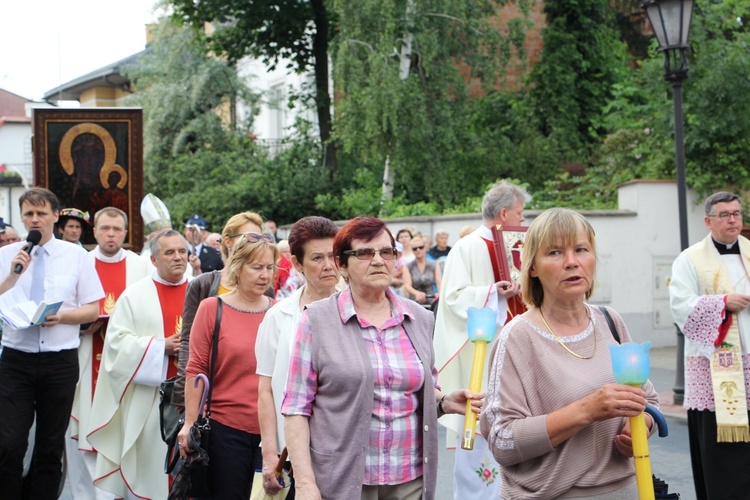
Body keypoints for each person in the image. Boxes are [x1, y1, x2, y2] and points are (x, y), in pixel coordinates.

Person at [282, 217, 483, 500]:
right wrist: (304, 484)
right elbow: (296, 409)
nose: (378, 261)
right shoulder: (316, 321)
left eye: (386, 252)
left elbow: (421, 387)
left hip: (409, 478)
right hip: (343, 478)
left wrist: (443, 401)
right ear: (342, 265)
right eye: (364, 253)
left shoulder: (420, 318)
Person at [480, 207, 660, 498]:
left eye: (581, 249)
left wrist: (639, 426)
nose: (572, 262)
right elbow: (502, 441)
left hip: (627, 489)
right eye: (554, 253)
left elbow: (648, 400)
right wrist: (587, 410)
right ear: (532, 268)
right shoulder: (517, 337)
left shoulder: (609, 320)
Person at [0, 188, 103, 498]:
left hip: (60, 361)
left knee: (49, 445)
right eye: (29, 214)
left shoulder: (76, 256)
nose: (35, 219)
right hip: (17, 359)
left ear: (55, 217)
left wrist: (64, 317)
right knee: (9, 444)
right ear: (21, 217)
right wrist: (12, 277)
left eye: (41, 213)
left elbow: (92, 309)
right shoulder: (7, 254)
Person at [433, 180, 530, 498]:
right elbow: (453, 298)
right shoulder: (468, 246)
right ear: (503, 213)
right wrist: (493, 293)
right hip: (484, 353)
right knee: (482, 424)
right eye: (520, 212)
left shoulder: (520, 242)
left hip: (520, 348)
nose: (523, 219)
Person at [87, 230, 189, 499]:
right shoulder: (134, 296)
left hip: (194, 398)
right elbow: (116, 346)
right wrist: (160, 346)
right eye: (169, 252)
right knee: (150, 472)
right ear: (154, 260)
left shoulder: (201, 292)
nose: (178, 257)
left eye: (182, 252)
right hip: (150, 398)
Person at [179, 233, 278, 498]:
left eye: (269, 267)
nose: (264, 275)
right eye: (257, 267)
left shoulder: (279, 312)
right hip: (225, 430)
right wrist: (189, 422)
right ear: (237, 267)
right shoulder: (212, 308)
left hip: (272, 431)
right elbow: (196, 368)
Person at [669, 191, 750, 500]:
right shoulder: (690, 259)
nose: (733, 219)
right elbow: (680, 306)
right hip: (716, 368)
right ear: (708, 221)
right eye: (725, 214)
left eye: (737, 213)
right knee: (722, 453)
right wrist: (722, 302)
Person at [67, 206, 151, 499]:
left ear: (126, 233)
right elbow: (65, 308)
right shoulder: (80, 263)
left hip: (126, 365)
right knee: (84, 439)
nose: (111, 234)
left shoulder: (141, 267)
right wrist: (80, 325)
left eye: (117, 229)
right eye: (105, 228)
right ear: (95, 231)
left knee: (124, 431)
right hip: (88, 353)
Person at [256, 216, 340, 497]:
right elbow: (266, 388)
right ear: (297, 263)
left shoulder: (363, 309)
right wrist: (270, 454)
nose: (328, 265)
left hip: (349, 445)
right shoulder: (278, 316)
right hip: (297, 450)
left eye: (333, 255)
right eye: (317, 258)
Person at [172, 211, 267, 411]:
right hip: (211, 390)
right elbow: (188, 342)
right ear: (228, 241)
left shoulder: (265, 287)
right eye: (248, 238)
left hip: (251, 398)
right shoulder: (203, 285)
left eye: (259, 238)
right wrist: (184, 398)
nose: (255, 244)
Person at [403, 235, 442, 305]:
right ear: (412, 251)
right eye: (415, 248)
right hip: (414, 301)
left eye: (421, 247)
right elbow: (407, 285)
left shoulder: (434, 264)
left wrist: (440, 294)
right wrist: (417, 293)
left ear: (425, 248)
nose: (418, 250)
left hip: (431, 300)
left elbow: (439, 282)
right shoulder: (408, 266)